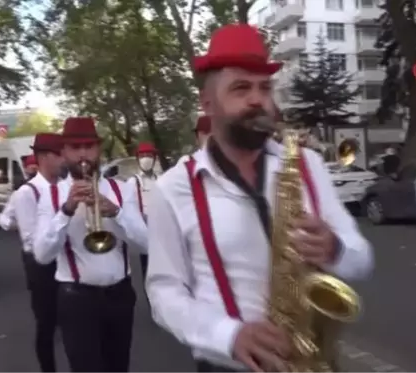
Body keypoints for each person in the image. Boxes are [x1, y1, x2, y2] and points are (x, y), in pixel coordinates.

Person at [146, 24, 373, 373]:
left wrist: (334, 249)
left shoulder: (308, 165)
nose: (258, 100)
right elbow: (164, 294)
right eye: (240, 88)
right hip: (230, 365)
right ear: (208, 104)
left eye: (265, 88)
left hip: (314, 358)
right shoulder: (173, 188)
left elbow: (362, 258)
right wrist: (229, 335)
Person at [32, 117, 148, 373]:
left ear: (98, 150)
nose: (83, 154)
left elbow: (147, 244)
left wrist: (115, 212)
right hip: (76, 300)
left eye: (89, 146)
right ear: (64, 152)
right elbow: (42, 255)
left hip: (120, 295)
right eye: (75, 148)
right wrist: (66, 210)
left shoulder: (122, 189)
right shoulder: (51, 196)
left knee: (119, 367)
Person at [0, 132, 63, 373]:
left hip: (62, 259)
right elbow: (31, 239)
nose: (65, 158)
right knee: (46, 323)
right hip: (40, 264)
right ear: (45, 158)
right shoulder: (26, 193)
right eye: (60, 154)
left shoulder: (62, 186)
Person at [126, 142, 158, 285]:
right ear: (137, 159)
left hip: (162, 231)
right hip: (145, 232)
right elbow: (130, 211)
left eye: (149, 155)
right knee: (149, 274)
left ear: (154, 158)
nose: (146, 159)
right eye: (142, 156)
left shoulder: (159, 179)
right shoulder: (133, 182)